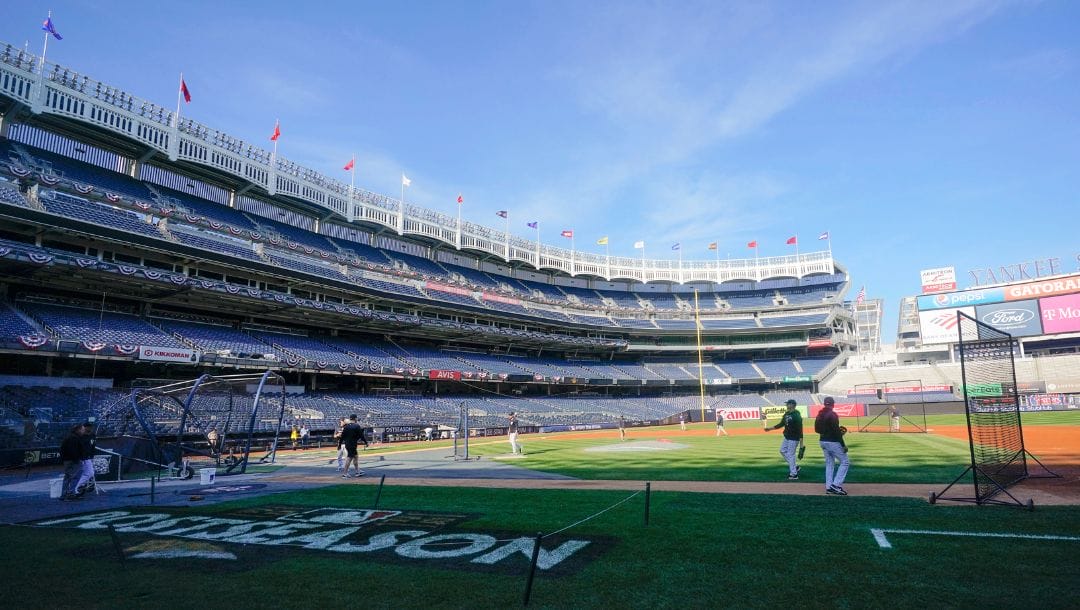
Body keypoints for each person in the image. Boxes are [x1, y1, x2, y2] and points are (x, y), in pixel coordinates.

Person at [815, 396, 850, 495]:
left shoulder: (819, 414)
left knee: (829, 464)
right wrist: (843, 445)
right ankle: (836, 485)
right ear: (833, 404)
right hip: (832, 442)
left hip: (822, 441)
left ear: (825, 403)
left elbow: (817, 430)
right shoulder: (833, 414)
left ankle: (829, 487)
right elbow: (836, 431)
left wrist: (827, 432)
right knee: (845, 462)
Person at [766, 400, 803, 479]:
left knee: (790, 455)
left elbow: (800, 429)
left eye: (788, 404)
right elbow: (781, 424)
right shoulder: (786, 414)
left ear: (792, 405)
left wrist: (801, 443)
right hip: (787, 437)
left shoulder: (796, 415)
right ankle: (795, 467)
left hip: (794, 438)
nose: (786, 405)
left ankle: (794, 474)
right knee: (782, 450)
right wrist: (770, 428)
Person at [58, 423, 86, 500]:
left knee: (67, 477)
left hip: (68, 460)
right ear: (78, 430)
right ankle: (70, 494)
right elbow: (73, 451)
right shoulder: (74, 438)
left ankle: (64, 495)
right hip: (73, 461)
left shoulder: (69, 437)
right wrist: (77, 460)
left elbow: (62, 449)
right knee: (74, 477)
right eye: (82, 429)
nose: (83, 431)